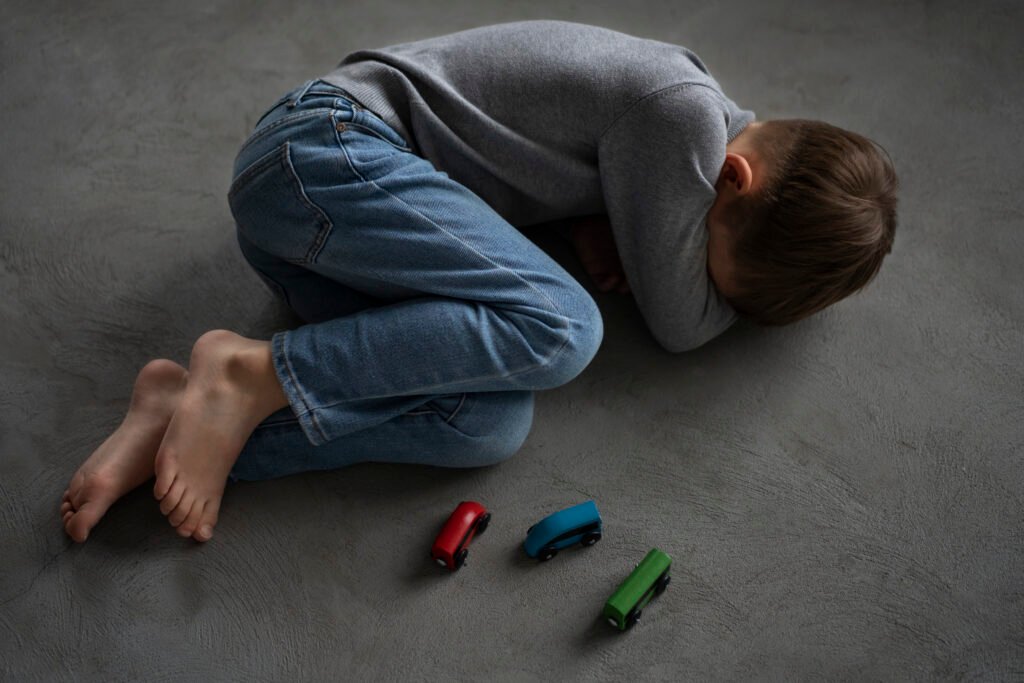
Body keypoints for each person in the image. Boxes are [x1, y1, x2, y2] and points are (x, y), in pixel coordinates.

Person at [60, 20, 899, 543]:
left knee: (487, 422)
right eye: (705, 261)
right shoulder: (683, 110)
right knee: (566, 326)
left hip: (322, 236)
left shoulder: (672, 145)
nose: (684, 265)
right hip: (325, 149)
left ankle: (179, 418)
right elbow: (679, 322)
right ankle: (252, 371)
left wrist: (610, 216)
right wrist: (685, 282)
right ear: (733, 180)